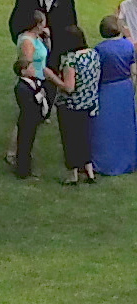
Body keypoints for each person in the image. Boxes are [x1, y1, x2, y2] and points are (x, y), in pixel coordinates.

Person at [50, 22, 97, 184]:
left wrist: (52, 77)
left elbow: (69, 87)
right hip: (89, 103)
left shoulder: (70, 60)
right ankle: (90, 171)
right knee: (85, 137)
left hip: (71, 105)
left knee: (70, 139)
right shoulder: (93, 54)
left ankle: (73, 174)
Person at [6, 6, 50, 178]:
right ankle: (15, 154)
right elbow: (26, 63)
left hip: (38, 80)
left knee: (32, 120)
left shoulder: (37, 37)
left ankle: (20, 155)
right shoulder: (27, 41)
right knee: (26, 121)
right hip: (31, 82)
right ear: (37, 24)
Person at [91, 15, 137, 175]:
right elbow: (133, 70)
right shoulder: (128, 46)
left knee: (105, 126)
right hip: (124, 87)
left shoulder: (99, 49)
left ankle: (105, 161)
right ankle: (128, 160)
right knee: (125, 124)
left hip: (106, 89)